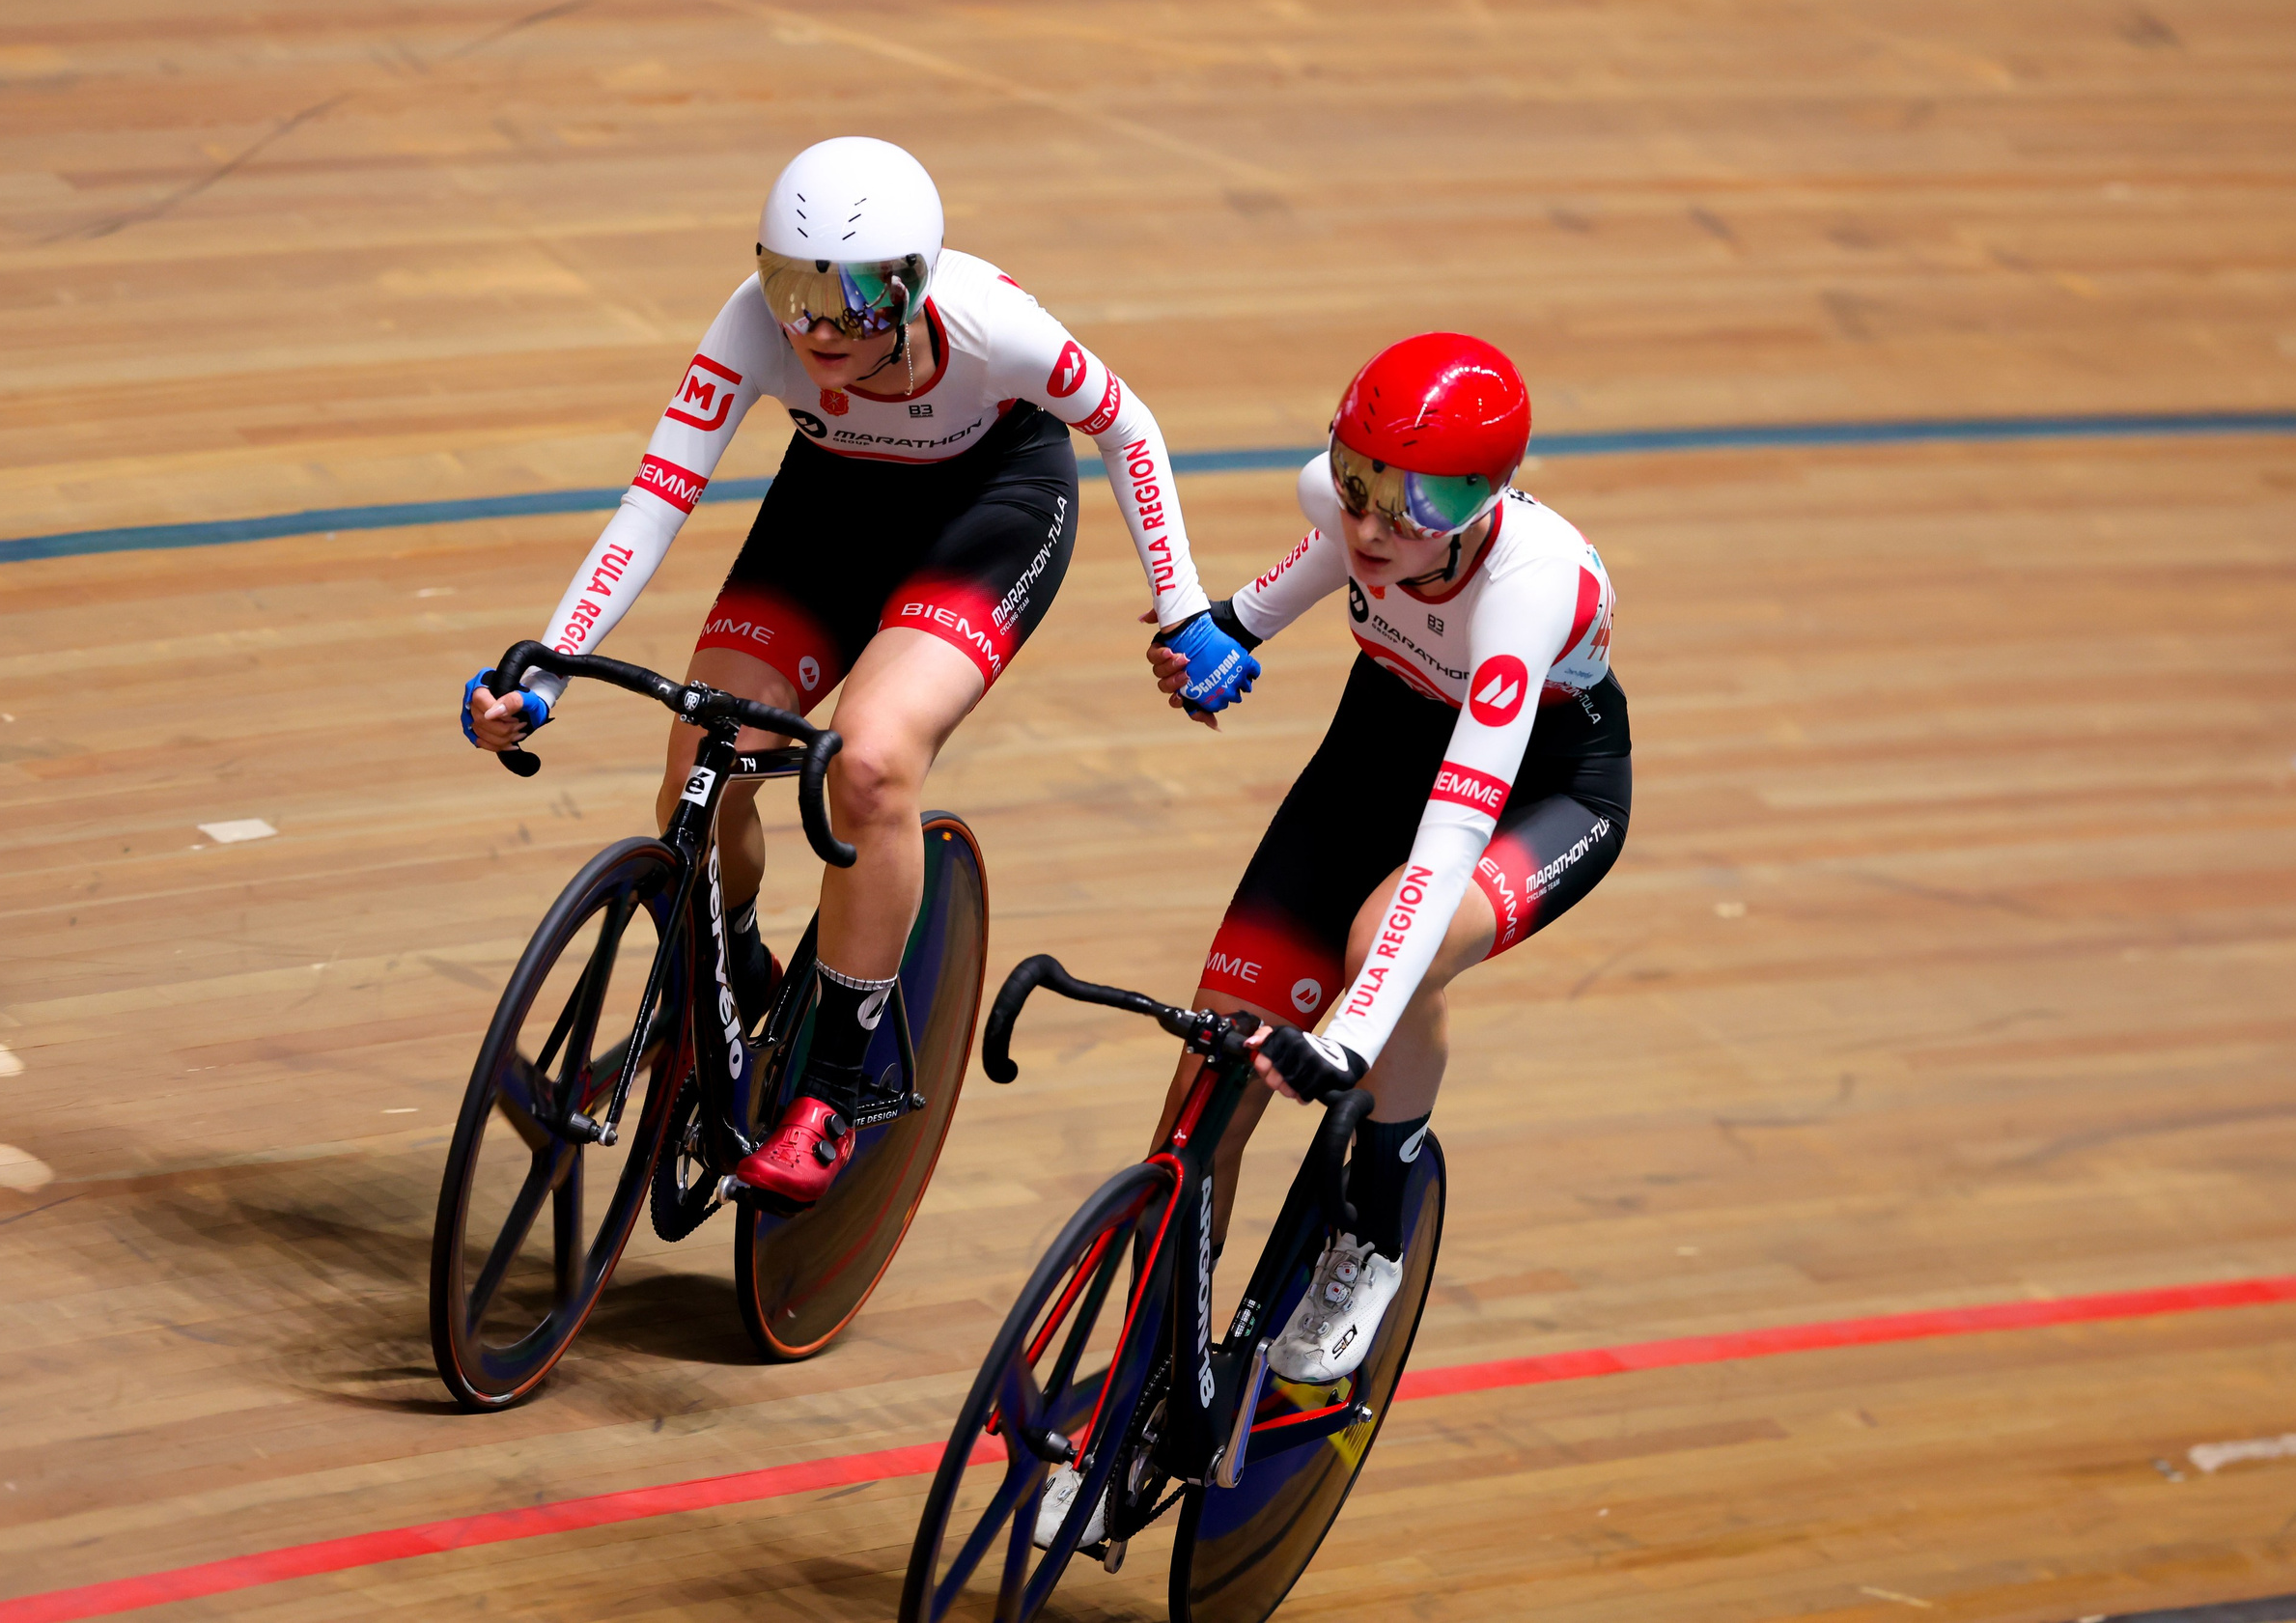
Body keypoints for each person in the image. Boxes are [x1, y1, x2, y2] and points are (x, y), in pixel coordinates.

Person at [459, 136, 1257, 1206]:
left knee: (871, 764)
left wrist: (1183, 608)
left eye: (854, 300)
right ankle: (735, 972)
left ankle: (837, 1086)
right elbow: (653, 501)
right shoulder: (755, 324)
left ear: (918, 284)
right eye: (794, 290)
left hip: (990, 510)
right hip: (832, 505)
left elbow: (1130, 427)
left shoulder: (992, 328)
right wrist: (546, 668)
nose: (818, 329)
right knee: (707, 737)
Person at [1039, 328, 1624, 1552]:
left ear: (1487, 499)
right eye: (1357, 479)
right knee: (1205, 1090)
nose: (1372, 522)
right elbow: (1284, 593)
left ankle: (1376, 1212)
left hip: (1535, 788)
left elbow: (1457, 830)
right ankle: (1144, 1391)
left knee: (1382, 947)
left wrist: (1347, 1040)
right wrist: (1212, 642)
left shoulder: (1527, 590)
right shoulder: (1355, 516)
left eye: (1413, 502)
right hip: (1371, 754)